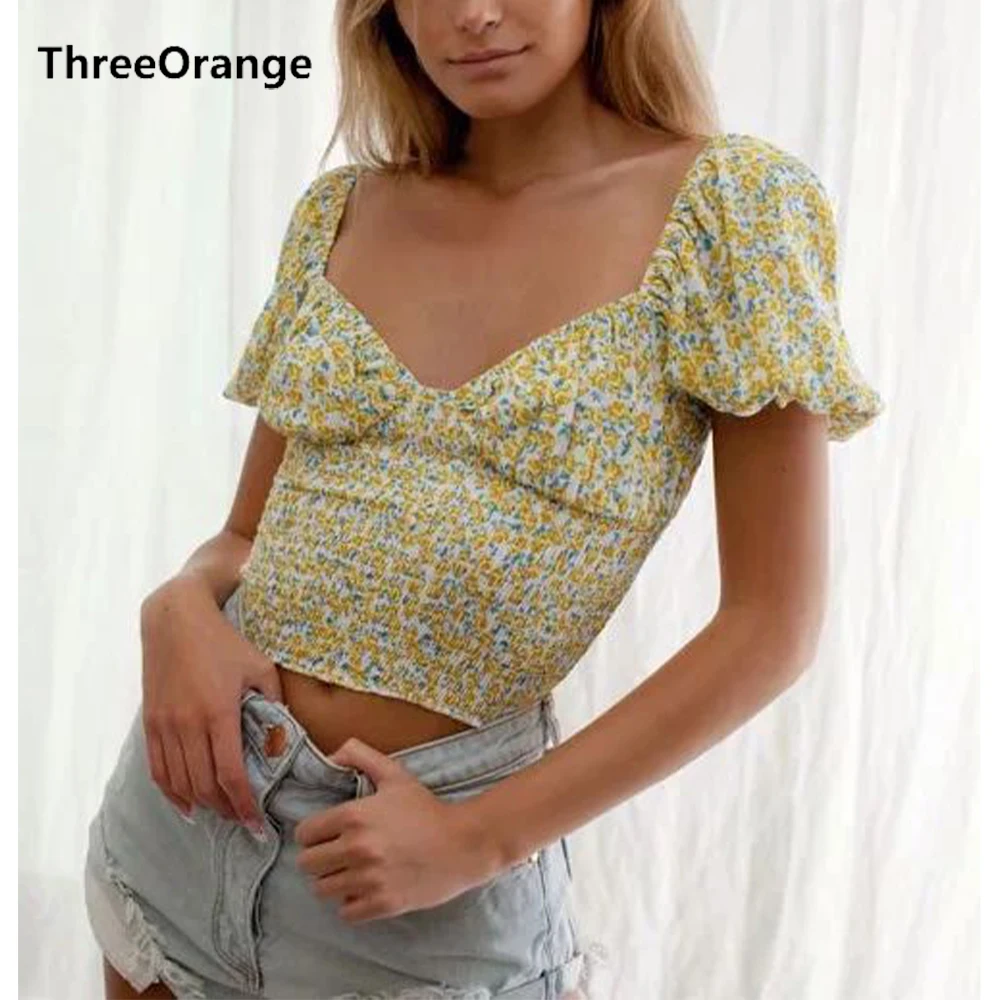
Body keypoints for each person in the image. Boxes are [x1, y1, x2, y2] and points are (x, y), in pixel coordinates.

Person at [82, 1, 886, 998]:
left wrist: (478, 839)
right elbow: (245, 534)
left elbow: (771, 624)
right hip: (185, 815)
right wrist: (178, 607)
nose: (472, 14)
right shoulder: (344, 208)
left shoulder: (731, 209)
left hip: (417, 885)